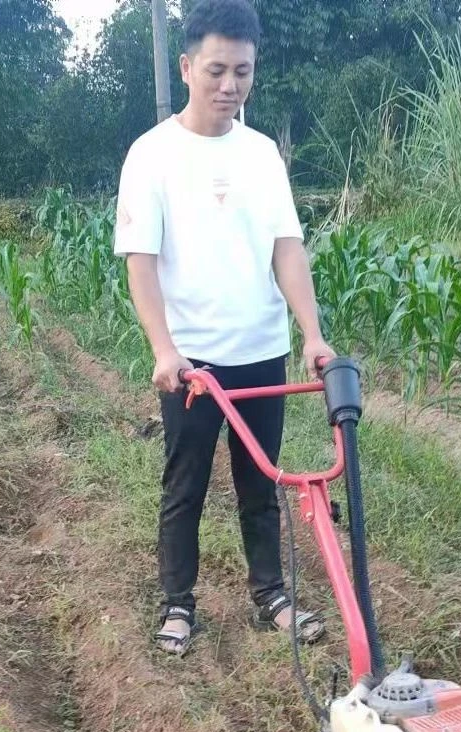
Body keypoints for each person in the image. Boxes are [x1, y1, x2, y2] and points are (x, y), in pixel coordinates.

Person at [113, 0, 334, 656]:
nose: (229, 85)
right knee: (184, 486)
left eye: (242, 71)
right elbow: (142, 266)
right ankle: (178, 604)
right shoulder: (151, 156)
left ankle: (270, 595)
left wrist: (313, 334)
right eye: (216, 70)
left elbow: (286, 249)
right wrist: (163, 348)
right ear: (187, 67)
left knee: (259, 484)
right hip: (191, 366)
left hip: (260, 350)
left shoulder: (262, 154)